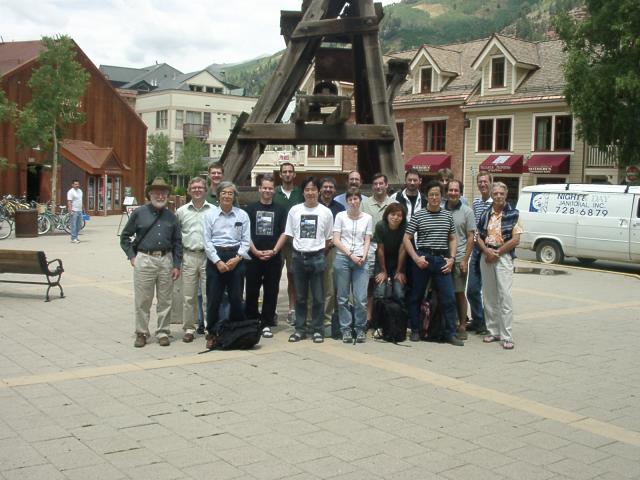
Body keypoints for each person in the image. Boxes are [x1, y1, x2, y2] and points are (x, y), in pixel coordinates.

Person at [120, 177, 182, 348]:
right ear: (150, 194)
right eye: (156, 193)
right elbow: (125, 237)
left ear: (167, 195)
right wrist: (132, 256)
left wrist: (176, 264)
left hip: (166, 259)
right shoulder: (139, 213)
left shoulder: (172, 216)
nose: (160, 196)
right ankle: (141, 332)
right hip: (145, 258)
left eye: (163, 193)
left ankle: (163, 332)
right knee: (143, 300)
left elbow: (177, 242)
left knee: (165, 300)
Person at [403, 180, 463, 346]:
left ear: (441, 196)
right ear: (426, 197)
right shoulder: (419, 215)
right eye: (431, 195)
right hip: (423, 259)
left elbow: (452, 238)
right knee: (416, 296)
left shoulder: (447, 216)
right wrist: (416, 258)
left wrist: (452, 258)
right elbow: (406, 238)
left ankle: (451, 333)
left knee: (449, 298)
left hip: (442, 260)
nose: (434, 198)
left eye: (437, 194)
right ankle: (416, 330)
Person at [284, 176, 333, 343]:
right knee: (300, 297)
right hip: (298, 257)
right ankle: (300, 329)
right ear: (303, 192)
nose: (310, 193)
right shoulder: (295, 210)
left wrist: (317, 251)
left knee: (318, 297)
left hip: (318, 257)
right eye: (307, 189)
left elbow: (328, 238)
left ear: (318, 192)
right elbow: (290, 235)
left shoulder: (325, 212)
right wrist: (301, 247)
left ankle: (317, 329)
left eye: (313, 189)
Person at [202, 181, 251, 349]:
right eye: (224, 193)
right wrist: (217, 261)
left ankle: (237, 332)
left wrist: (237, 258)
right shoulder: (209, 215)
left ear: (234, 196)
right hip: (216, 256)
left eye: (230, 193)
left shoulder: (242, 215)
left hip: (236, 256)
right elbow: (207, 241)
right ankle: (212, 333)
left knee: (236, 298)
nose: (227, 196)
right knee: (214, 298)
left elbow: (246, 240)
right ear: (218, 195)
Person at [476, 182, 522, 350]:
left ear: (506, 194)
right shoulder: (485, 213)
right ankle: (493, 331)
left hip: (503, 256)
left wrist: (497, 252)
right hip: (486, 256)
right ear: (492, 195)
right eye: (495, 193)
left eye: (501, 193)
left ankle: (507, 335)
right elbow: (478, 236)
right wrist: (486, 251)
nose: (498, 196)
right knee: (489, 296)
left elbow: (516, 239)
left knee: (505, 296)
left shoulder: (514, 214)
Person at [244, 175, 288, 338]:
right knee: (251, 290)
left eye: (270, 188)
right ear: (259, 189)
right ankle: (251, 320)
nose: (267, 191)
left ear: (273, 190)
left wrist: (274, 251)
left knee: (271, 291)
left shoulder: (281, 210)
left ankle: (266, 323)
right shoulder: (250, 209)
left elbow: (284, 233)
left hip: (273, 257)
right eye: (265, 188)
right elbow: (245, 233)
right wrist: (255, 250)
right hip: (253, 256)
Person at [175, 177, 213, 343]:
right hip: (189, 256)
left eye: (200, 187)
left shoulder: (213, 210)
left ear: (205, 190)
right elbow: (176, 237)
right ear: (189, 191)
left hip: (207, 257)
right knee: (188, 297)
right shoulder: (181, 212)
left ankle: (209, 328)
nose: (197, 190)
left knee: (208, 295)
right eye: (194, 188)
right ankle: (189, 328)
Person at [333, 190, 373, 343]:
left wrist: (364, 255)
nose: (353, 202)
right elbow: (336, 240)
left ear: (360, 200)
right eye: (350, 199)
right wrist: (351, 255)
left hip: (361, 261)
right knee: (342, 297)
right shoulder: (340, 216)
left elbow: (367, 239)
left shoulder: (367, 218)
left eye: (356, 198)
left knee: (360, 298)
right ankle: (346, 329)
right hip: (343, 258)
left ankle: (360, 328)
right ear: (347, 201)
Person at [361, 173, 397, 324]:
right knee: (369, 285)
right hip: (369, 250)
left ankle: (384, 319)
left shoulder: (394, 203)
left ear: (386, 185)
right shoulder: (365, 204)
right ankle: (369, 318)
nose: (378, 186)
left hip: (389, 251)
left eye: (381, 183)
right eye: (375, 184)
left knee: (385, 287)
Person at [273, 162, 304, 326]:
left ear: (294, 174)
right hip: (277, 242)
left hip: (294, 243)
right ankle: (273, 310)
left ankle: (292, 310)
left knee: (293, 278)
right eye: (284, 171)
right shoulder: (274, 192)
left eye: (290, 171)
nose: (287, 174)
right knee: (274, 277)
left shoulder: (300, 193)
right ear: (280, 175)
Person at [444, 180, 476, 341]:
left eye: (456, 190)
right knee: (444, 293)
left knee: (459, 293)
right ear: (446, 192)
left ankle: (462, 325)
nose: (453, 193)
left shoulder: (467, 212)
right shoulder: (440, 209)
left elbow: (471, 237)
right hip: (443, 258)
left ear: (460, 192)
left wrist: (465, 259)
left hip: (459, 258)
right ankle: (446, 323)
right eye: (450, 190)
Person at [467, 172, 493, 335]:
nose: (482, 184)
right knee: (472, 289)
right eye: (480, 182)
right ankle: (478, 320)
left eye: (485, 181)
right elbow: (474, 227)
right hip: (477, 249)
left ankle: (489, 323)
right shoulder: (476, 203)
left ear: (491, 183)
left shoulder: (495, 202)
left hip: (490, 250)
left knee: (490, 291)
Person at [319, 177, 345, 329]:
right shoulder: (314, 205)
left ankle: (327, 319)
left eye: (331, 187)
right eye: (325, 187)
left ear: (335, 190)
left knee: (329, 285)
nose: (328, 189)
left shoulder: (340, 208)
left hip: (332, 250)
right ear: (320, 189)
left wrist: (331, 243)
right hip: (314, 249)